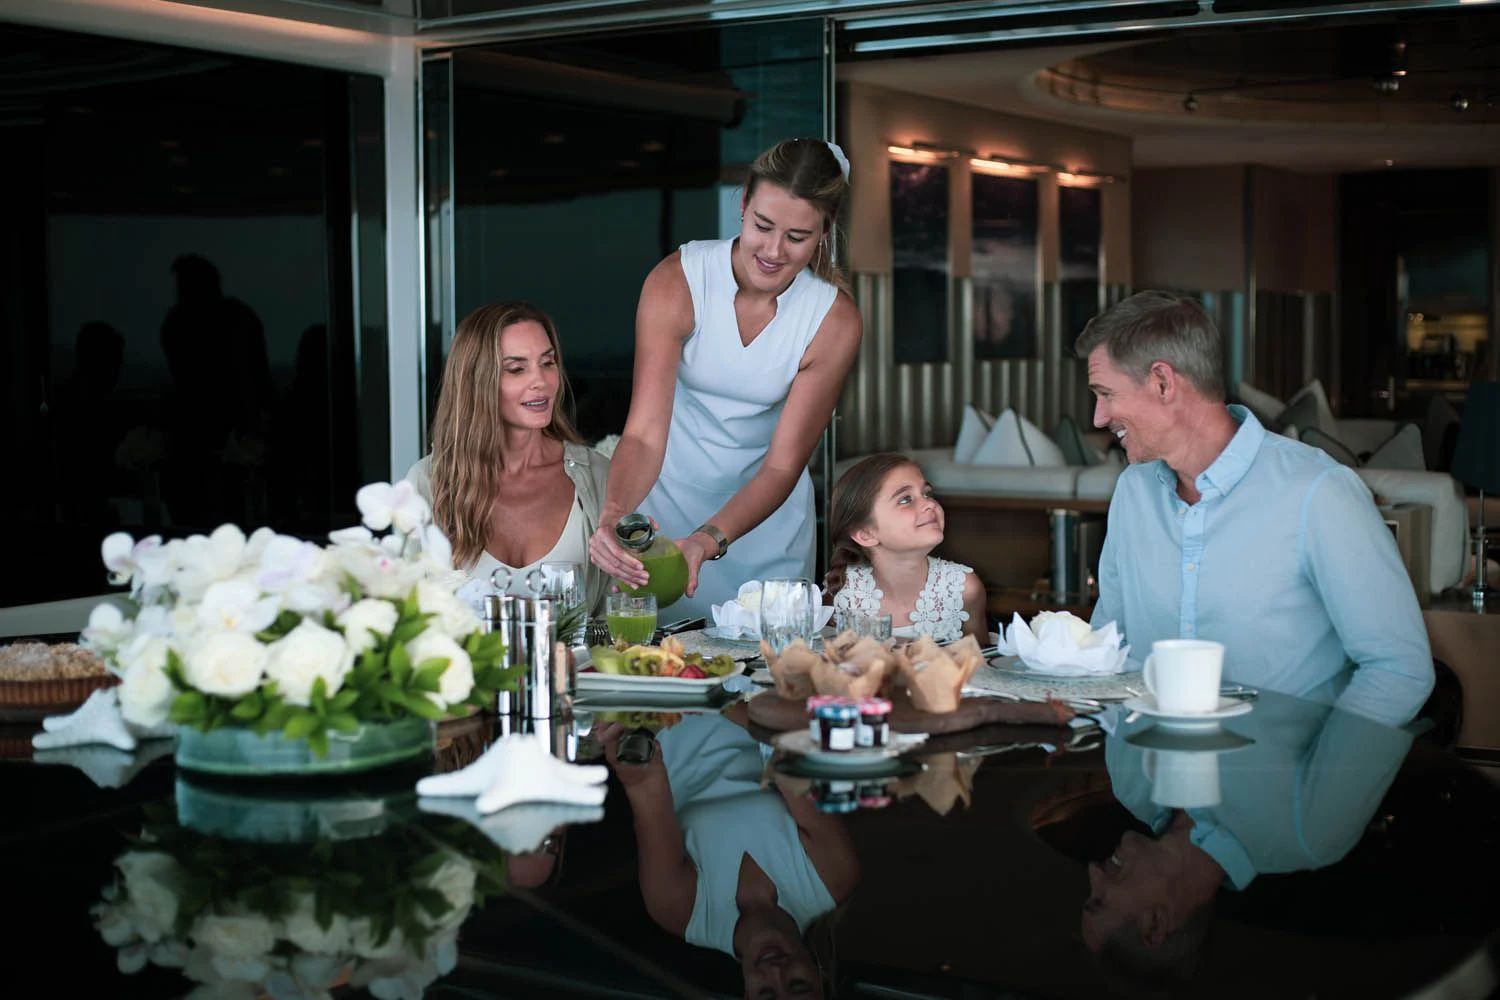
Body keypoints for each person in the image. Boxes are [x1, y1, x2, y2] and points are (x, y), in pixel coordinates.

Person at [1077, 291, 1434, 726]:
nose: (1098, 417)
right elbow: (1109, 646)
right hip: (1145, 787)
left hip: (1271, 788)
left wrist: (1320, 787)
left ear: (1163, 382)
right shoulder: (1133, 492)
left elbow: (1399, 669)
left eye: (1106, 393)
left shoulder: (1320, 493)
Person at [588, 138, 864, 619]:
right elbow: (644, 434)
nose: (774, 251)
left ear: (825, 230)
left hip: (765, 523)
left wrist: (709, 538)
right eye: (763, 226)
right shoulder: (678, 281)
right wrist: (614, 514)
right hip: (666, 512)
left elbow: (782, 466)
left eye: (798, 236)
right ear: (742, 205)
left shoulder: (833, 320)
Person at [1081, 692, 1414, 981]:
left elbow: (1116, 649)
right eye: (1100, 900)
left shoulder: (1127, 780)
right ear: (1155, 922)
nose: (1093, 872)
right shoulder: (1310, 834)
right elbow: (1394, 685)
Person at [594, 707, 857, 999]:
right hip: (748, 693)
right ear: (820, 979)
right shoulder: (833, 876)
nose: (776, 972)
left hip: (659, 711)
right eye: (798, 985)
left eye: (766, 993)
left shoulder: (680, 911)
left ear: (746, 994)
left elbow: (644, 783)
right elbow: (786, 748)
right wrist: (713, 695)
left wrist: (626, 739)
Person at [406, 301, 611, 615]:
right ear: (477, 381)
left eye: (547, 362)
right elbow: (409, 610)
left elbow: (630, 605)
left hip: (577, 666)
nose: (540, 381)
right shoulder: (427, 482)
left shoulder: (598, 475)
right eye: (517, 368)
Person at [823, 452, 987, 643]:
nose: (929, 504)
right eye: (905, 499)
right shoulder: (844, 592)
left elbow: (984, 668)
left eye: (927, 493)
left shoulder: (964, 589)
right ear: (865, 534)